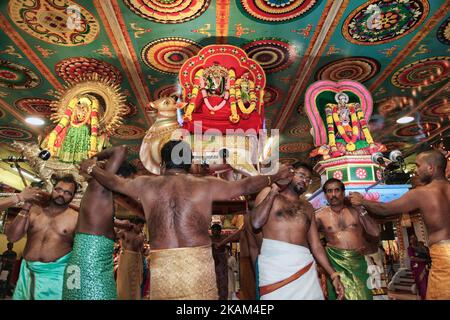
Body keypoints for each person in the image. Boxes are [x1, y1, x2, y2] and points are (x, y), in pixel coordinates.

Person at [79, 139, 293, 300]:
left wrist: (90, 167)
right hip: (199, 268)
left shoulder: (144, 184)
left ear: (162, 164)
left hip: (163, 269)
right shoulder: (205, 184)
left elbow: (113, 182)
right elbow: (246, 186)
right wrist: (273, 176)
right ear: (189, 163)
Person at [349, 150, 450, 299]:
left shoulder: (422, 193)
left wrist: (362, 201)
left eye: (418, 165)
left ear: (431, 168)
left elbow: (385, 209)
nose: (415, 170)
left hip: (444, 256)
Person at [251, 162, 345, 300]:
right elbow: (256, 222)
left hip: (304, 268)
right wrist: (273, 191)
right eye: (301, 175)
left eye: (308, 179)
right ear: (290, 174)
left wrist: (333, 275)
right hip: (274, 268)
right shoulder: (269, 193)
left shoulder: (308, 207)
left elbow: (316, 246)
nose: (305, 181)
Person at [62, 146, 127, 300]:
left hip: (78, 262)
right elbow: (121, 150)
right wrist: (93, 161)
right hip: (91, 263)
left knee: (74, 296)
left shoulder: (96, 192)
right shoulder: (100, 185)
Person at [6, 175, 78, 300]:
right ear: (52, 189)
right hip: (27, 272)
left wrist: (74, 285)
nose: (61, 194)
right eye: (58, 190)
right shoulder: (34, 211)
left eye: (67, 193)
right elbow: (12, 238)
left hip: (55, 277)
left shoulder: (76, 218)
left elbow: (81, 253)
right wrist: (27, 206)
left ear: (73, 196)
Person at [316, 178, 380, 300]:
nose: (333, 194)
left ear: (343, 192)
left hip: (357, 262)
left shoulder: (356, 211)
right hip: (335, 263)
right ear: (325, 195)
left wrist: (361, 208)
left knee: (364, 296)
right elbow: (310, 239)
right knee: (340, 296)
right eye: (329, 191)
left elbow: (375, 233)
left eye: (337, 190)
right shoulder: (319, 216)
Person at [115, 218, 147, 300]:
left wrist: (143, 262)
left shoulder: (141, 236)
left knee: (136, 285)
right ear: (135, 224)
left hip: (138, 260)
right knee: (124, 284)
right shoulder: (125, 231)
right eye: (140, 226)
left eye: (142, 226)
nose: (141, 228)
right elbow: (116, 233)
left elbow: (141, 250)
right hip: (126, 259)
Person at [407, 235, 429, 300]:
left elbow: (428, 255)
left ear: (417, 238)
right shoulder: (410, 248)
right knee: (422, 284)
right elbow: (412, 258)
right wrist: (423, 260)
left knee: (427, 283)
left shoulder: (423, 247)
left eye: (415, 238)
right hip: (417, 268)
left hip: (426, 266)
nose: (413, 239)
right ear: (410, 240)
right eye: (411, 238)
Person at [211, 223, 228, 300]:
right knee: (213, 281)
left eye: (216, 230)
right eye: (213, 230)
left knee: (223, 281)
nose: (214, 232)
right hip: (212, 261)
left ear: (220, 231)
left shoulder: (224, 238)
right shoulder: (209, 239)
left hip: (221, 262)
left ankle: (223, 298)